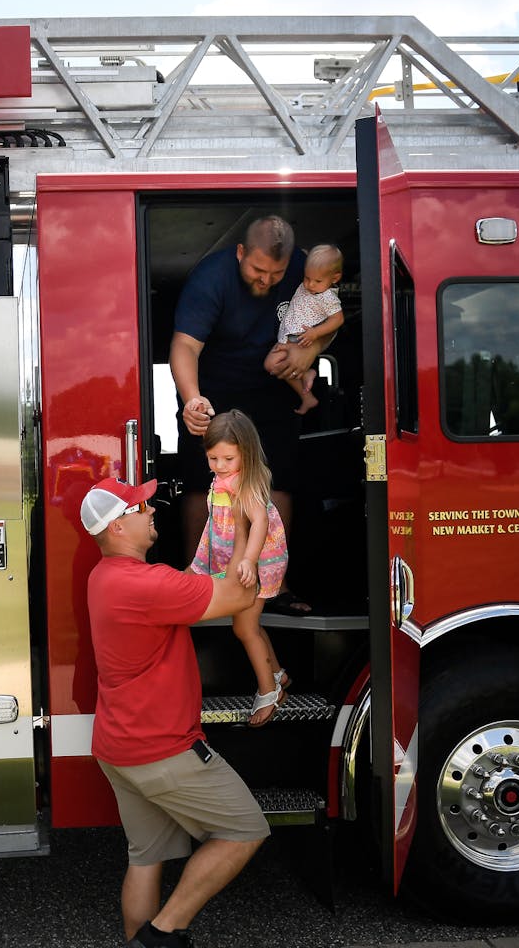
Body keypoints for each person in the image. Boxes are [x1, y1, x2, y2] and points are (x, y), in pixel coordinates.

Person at [82, 476, 270, 948]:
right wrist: (245, 519)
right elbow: (241, 596)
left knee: (146, 858)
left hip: (118, 748)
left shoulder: (103, 577)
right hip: (162, 751)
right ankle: (164, 934)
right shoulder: (148, 585)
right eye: (140, 507)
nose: (151, 511)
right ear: (118, 527)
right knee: (245, 829)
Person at [170, 215, 336, 613]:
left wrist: (310, 352)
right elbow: (184, 346)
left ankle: (272, 587)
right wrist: (192, 398)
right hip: (214, 388)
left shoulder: (304, 269)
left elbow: (332, 320)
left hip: (274, 389)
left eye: (275, 274)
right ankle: (200, 585)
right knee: (202, 481)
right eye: (258, 270)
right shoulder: (211, 278)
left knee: (277, 479)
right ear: (240, 253)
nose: (265, 281)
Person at [189, 411, 291, 726]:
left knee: (244, 628)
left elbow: (259, 522)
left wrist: (248, 559)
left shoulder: (245, 483)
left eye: (227, 458)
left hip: (256, 564)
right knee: (250, 624)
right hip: (237, 559)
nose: (219, 465)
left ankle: (268, 691)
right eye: (212, 458)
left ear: (244, 453)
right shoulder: (224, 479)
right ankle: (277, 675)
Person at [264, 244, 345, 414]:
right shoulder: (312, 283)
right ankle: (307, 383)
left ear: (335, 278)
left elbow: (338, 319)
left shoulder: (327, 297)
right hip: (289, 335)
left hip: (302, 338)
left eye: (317, 281)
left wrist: (315, 333)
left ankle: (307, 392)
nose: (309, 285)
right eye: (307, 278)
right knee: (273, 365)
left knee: (272, 364)